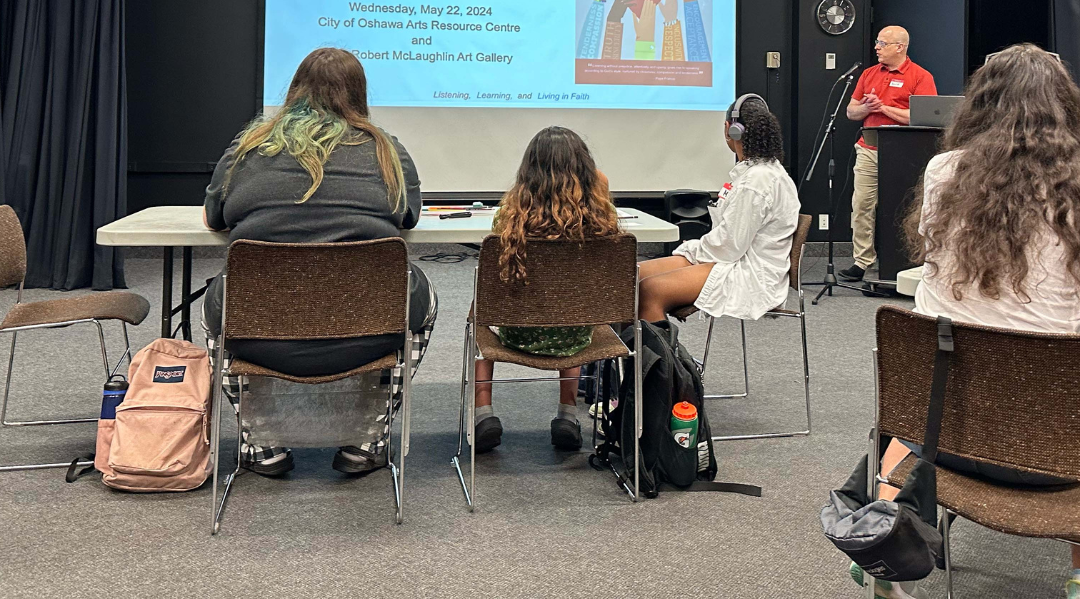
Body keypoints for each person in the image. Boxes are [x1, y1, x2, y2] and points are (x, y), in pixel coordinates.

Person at [867, 44, 1080, 599]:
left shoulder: (945, 173)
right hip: (1064, 457)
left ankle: (884, 544)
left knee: (924, 382)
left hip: (946, 443)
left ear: (979, 105)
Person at [201, 47, 437, 478]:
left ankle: (261, 443)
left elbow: (214, 216)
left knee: (216, 295)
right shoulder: (386, 150)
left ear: (294, 89)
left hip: (258, 334)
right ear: (359, 94)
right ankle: (367, 440)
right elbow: (408, 216)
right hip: (368, 332)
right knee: (422, 291)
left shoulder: (249, 145)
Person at [473, 126, 620, 454]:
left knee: (479, 307)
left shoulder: (509, 214)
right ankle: (567, 414)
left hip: (516, 333)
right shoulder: (598, 215)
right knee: (574, 304)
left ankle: (484, 412)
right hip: (574, 336)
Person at [637, 94, 800, 324]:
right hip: (732, 259)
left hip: (747, 274)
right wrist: (694, 251)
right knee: (631, 277)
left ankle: (660, 360)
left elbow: (729, 247)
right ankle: (623, 358)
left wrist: (692, 249)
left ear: (730, 130)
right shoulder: (759, 173)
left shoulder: (757, 182)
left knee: (650, 290)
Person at [839, 26, 937, 283]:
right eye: (877, 42)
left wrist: (883, 108)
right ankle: (862, 261)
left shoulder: (920, 76)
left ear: (900, 47)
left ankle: (907, 260)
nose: (877, 47)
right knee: (861, 206)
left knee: (904, 208)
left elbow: (922, 117)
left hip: (905, 154)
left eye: (883, 43)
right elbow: (851, 112)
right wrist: (866, 107)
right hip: (869, 150)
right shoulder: (869, 74)